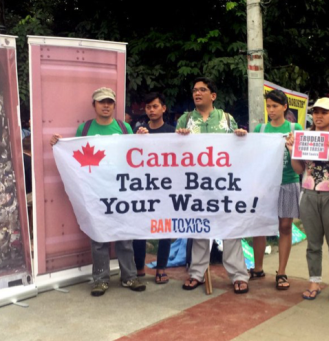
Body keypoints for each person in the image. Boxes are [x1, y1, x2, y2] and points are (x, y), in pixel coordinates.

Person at [50, 87, 146, 297]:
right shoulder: (84, 130)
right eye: (101, 102)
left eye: (109, 102)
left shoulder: (124, 127)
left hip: (121, 189)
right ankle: (100, 280)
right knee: (98, 236)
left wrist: (142, 139)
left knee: (124, 235)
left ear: (114, 105)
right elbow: (74, 156)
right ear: (94, 105)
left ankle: (129, 277)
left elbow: (136, 154)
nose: (106, 105)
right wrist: (58, 144)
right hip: (95, 191)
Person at [176, 77, 250, 294]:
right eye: (194, 90)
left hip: (224, 184)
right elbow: (172, 153)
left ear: (213, 95)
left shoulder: (227, 120)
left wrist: (241, 137)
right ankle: (197, 273)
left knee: (231, 229)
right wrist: (178, 139)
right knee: (199, 229)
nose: (197, 93)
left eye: (203, 90)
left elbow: (239, 150)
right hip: (195, 184)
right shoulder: (185, 120)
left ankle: (238, 275)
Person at [286, 97, 329, 304]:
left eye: (324, 112)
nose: (319, 116)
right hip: (309, 194)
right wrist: (290, 150)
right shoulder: (304, 138)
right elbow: (298, 170)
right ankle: (314, 281)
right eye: (316, 112)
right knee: (313, 244)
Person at [250, 89, 302, 290]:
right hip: (265, 184)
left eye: (275, 106)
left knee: (285, 226)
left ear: (284, 107)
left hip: (288, 181)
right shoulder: (260, 130)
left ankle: (281, 272)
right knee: (260, 226)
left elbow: (302, 158)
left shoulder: (294, 127)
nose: (271, 110)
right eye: (268, 106)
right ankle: (258, 267)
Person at [133, 92, 175, 284]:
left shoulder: (172, 132)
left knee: (165, 229)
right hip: (143, 187)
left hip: (165, 188)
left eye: (155, 106)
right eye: (148, 107)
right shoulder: (139, 131)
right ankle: (139, 268)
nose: (151, 110)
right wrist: (136, 139)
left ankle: (161, 268)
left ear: (163, 108)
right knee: (140, 228)